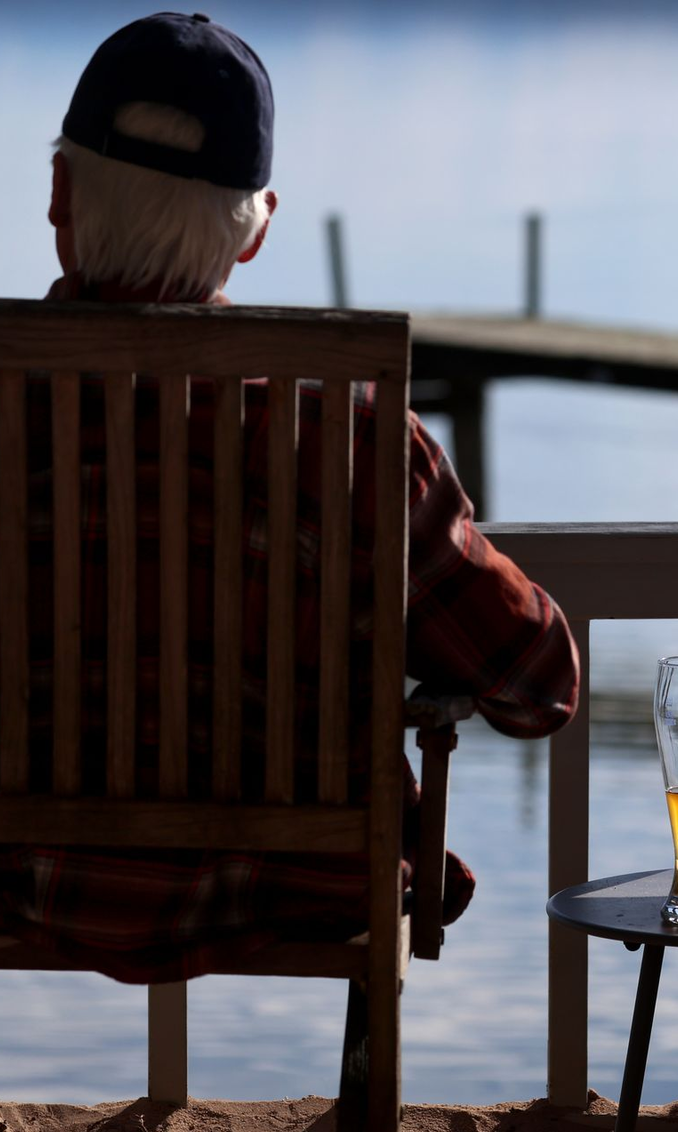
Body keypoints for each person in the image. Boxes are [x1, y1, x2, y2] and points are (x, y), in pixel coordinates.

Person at [0, 12, 580, 983]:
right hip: (289, 880)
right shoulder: (350, 432)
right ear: (256, 233)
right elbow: (536, 685)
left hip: (21, 871)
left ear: (58, 193)